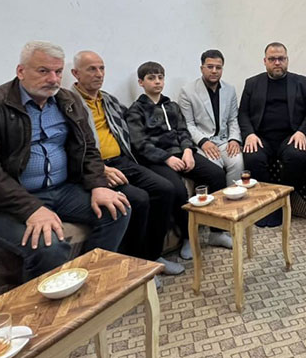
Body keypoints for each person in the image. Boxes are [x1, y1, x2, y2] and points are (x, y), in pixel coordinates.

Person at [0, 41, 130, 281]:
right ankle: (42, 305)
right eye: (43, 71)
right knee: (48, 245)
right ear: (21, 71)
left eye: (58, 72)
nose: (53, 79)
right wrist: (31, 208)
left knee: (118, 209)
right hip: (2, 204)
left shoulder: (68, 101)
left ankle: (90, 280)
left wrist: (98, 185)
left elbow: (87, 147)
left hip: (62, 190)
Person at [70, 50, 185, 280]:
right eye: (91, 69)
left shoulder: (109, 100)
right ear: (75, 73)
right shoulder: (69, 104)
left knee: (165, 189)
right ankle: (136, 265)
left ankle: (153, 256)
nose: (99, 74)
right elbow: (70, 147)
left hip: (123, 161)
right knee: (139, 199)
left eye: (102, 68)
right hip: (97, 167)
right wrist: (100, 169)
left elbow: (133, 132)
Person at [126, 61, 229, 259]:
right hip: (158, 160)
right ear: (141, 82)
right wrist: (167, 158)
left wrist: (188, 151)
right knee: (177, 189)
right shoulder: (136, 111)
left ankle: (217, 232)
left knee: (216, 174)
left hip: (182, 153)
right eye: (151, 78)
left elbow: (183, 131)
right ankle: (188, 237)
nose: (157, 82)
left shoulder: (171, 106)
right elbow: (140, 144)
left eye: (160, 77)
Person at [238, 42, 306, 227]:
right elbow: (243, 114)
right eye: (272, 59)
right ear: (265, 61)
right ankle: (265, 203)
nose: (277, 62)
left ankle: (281, 204)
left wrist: (302, 132)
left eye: (281, 58)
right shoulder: (252, 83)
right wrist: (249, 134)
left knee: (297, 155)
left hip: (291, 136)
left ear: (287, 60)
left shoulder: (303, 83)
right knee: (252, 157)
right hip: (261, 137)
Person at [178, 49, 244, 186]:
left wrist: (234, 139)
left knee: (238, 163)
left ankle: (234, 197)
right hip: (202, 142)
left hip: (224, 140)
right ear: (202, 68)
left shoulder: (230, 89)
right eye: (210, 67)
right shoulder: (187, 91)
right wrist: (203, 142)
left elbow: (233, 119)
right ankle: (219, 200)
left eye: (218, 67)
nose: (214, 71)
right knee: (215, 168)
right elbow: (188, 124)